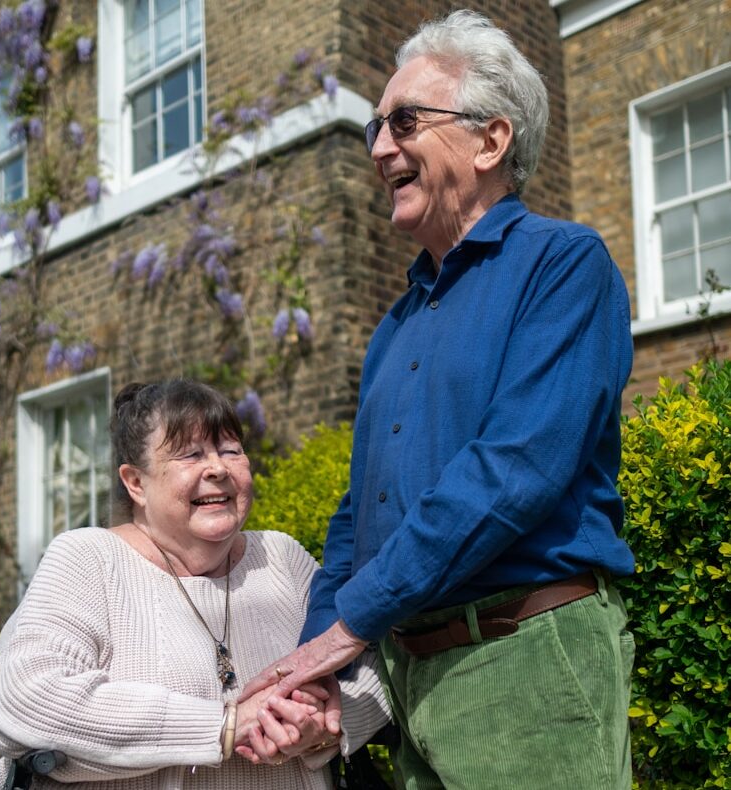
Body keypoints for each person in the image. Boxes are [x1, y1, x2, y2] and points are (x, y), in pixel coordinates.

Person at [240, 9, 636, 790]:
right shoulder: (394, 324)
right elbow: (360, 515)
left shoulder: (563, 265)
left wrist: (350, 628)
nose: (382, 147)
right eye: (374, 129)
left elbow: (514, 470)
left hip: (525, 659)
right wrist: (317, 666)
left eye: (406, 121)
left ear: (491, 141)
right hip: (410, 677)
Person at [0, 379, 389, 789]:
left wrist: (324, 724)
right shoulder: (89, 560)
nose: (217, 468)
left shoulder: (280, 558)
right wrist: (226, 725)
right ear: (135, 483)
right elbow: (25, 698)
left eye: (231, 450)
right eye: (190, 454)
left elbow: (376, 664)